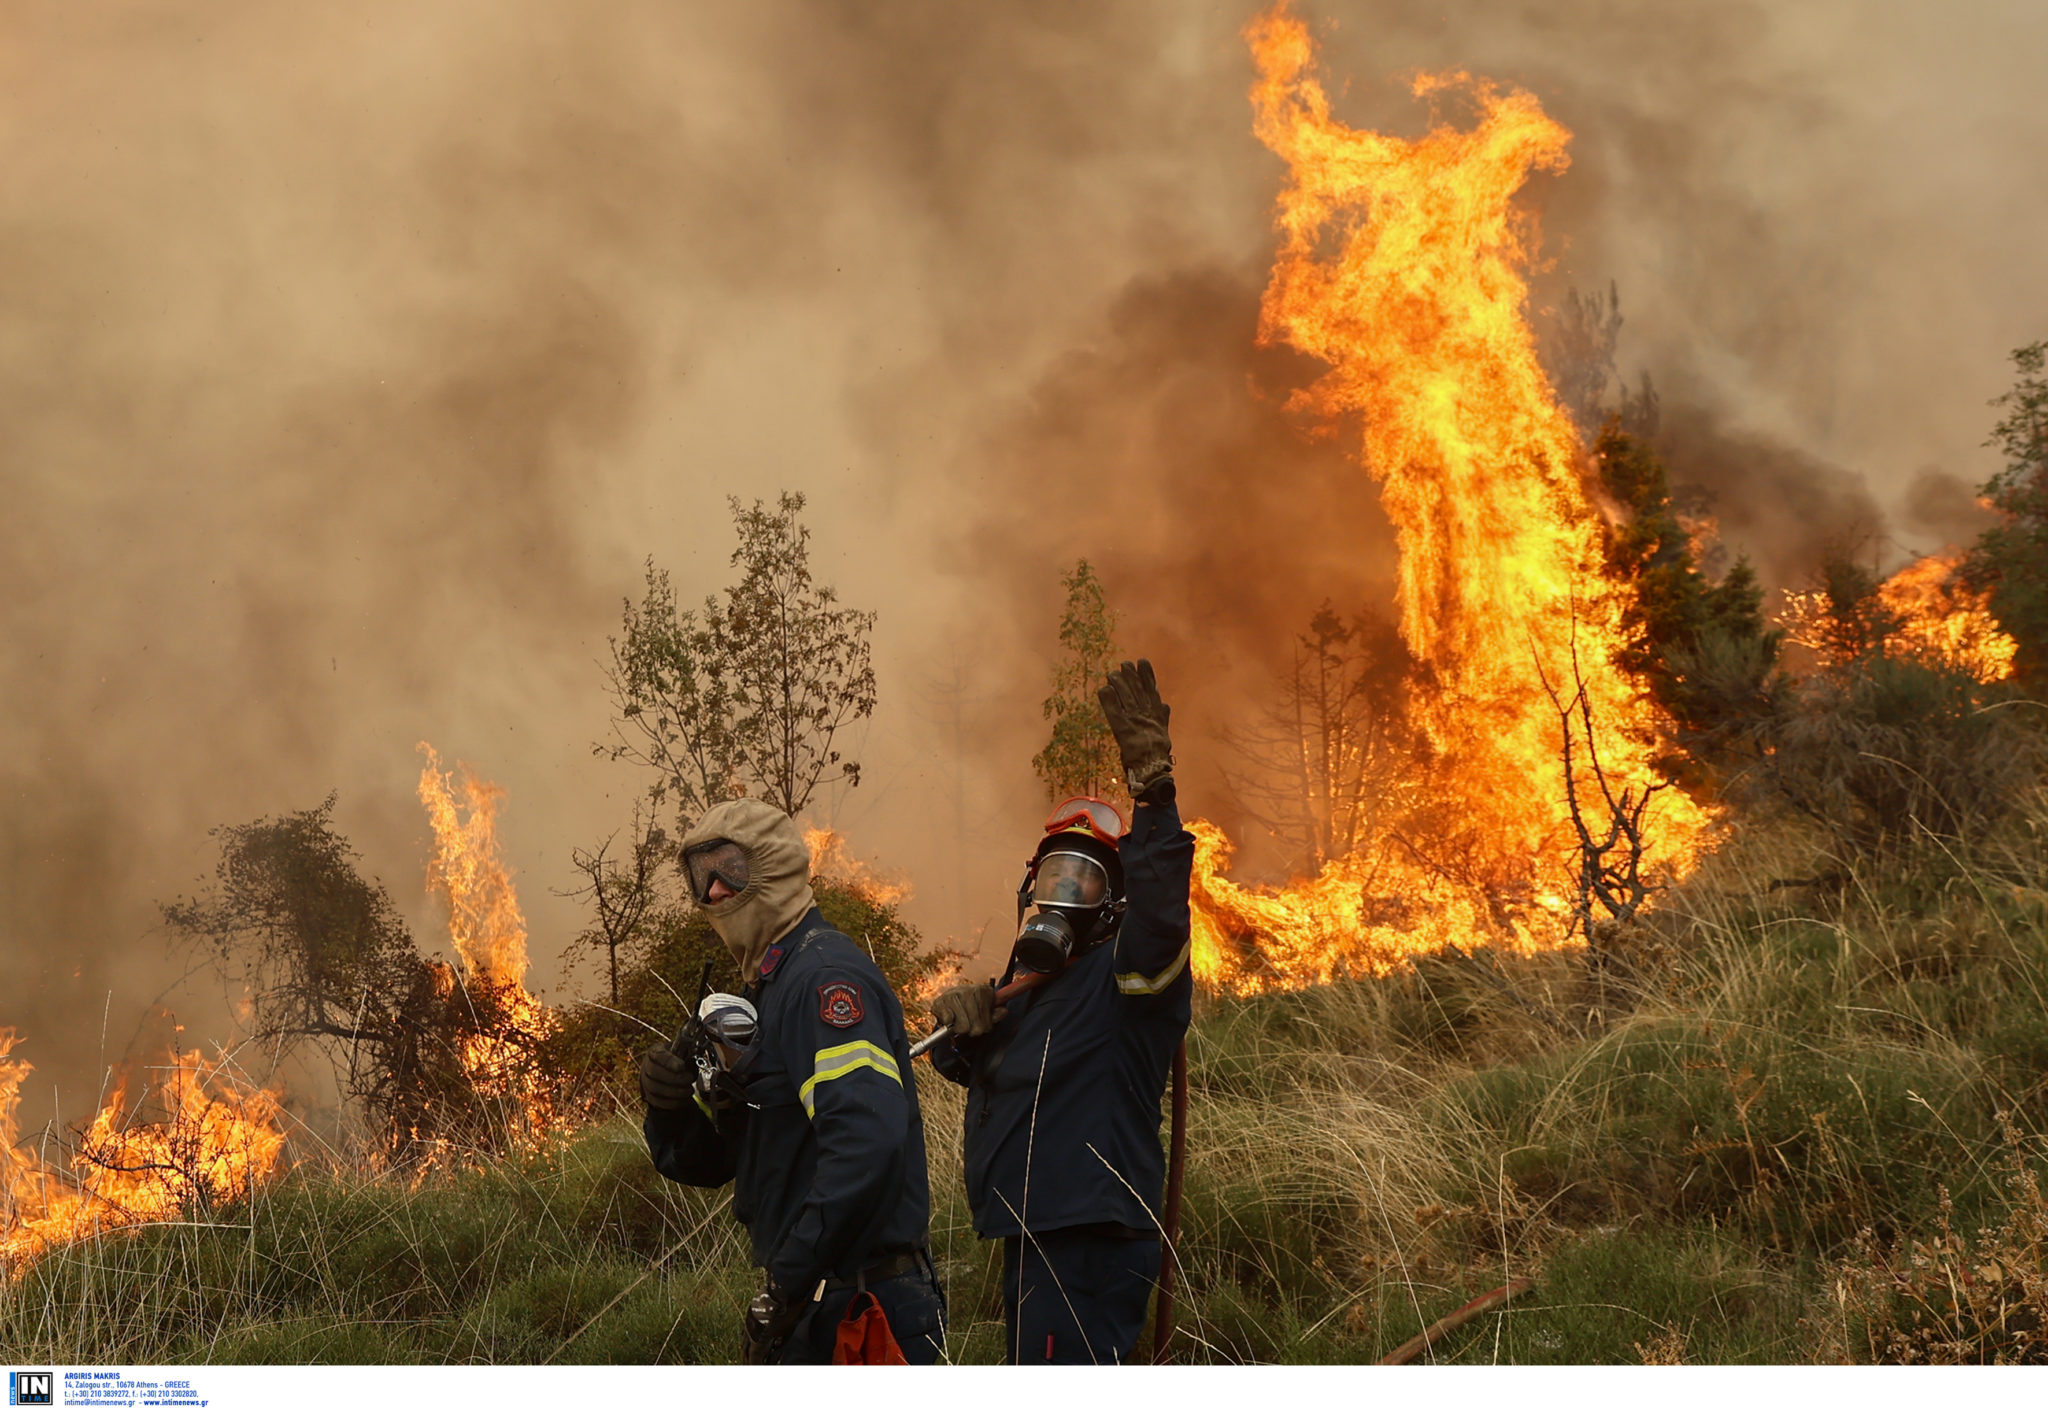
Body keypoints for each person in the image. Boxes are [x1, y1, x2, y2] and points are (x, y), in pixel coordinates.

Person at [929, 659, 1194, 1364]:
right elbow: (982, 1071)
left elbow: (1163, 913)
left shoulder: (1125, 978)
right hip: (1034, 1232)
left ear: (1113, 902)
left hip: (1088, 1238)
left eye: (1084, 879)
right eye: (1053, 876)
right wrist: (963, 1024)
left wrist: (1156, 795)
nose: (1063, 892)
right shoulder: (1035, 987)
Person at [637, 797, 945, 1365]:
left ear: (774, 865)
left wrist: (789, 1279)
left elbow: (866, 1145)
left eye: (728, 867)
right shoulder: (768, 992)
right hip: (818, 1301)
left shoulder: (822, 979)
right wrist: (671, 1108)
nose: (714, 893)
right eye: (698, 878)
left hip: (863, 1304)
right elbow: (735, 1162)